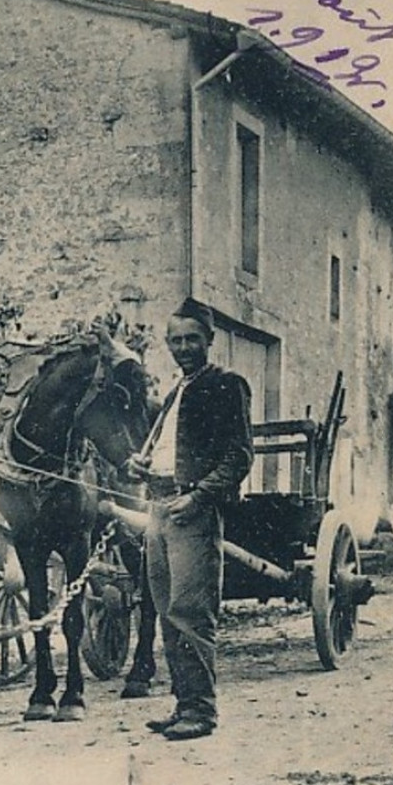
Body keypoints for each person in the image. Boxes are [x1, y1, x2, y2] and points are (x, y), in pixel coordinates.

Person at [126, 298, 253, 741]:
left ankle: (202, 710)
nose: (184, 347)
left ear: (209, 341)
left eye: (192, 340)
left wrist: (199, 498)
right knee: (164, 610)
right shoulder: (177, 390)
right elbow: (167, 450)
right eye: (176, 340)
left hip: (191, 513)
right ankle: (184, 705)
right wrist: (140, 467)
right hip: (158, 508)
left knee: (191, 612)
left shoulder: (227, 385)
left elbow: (239, 457)